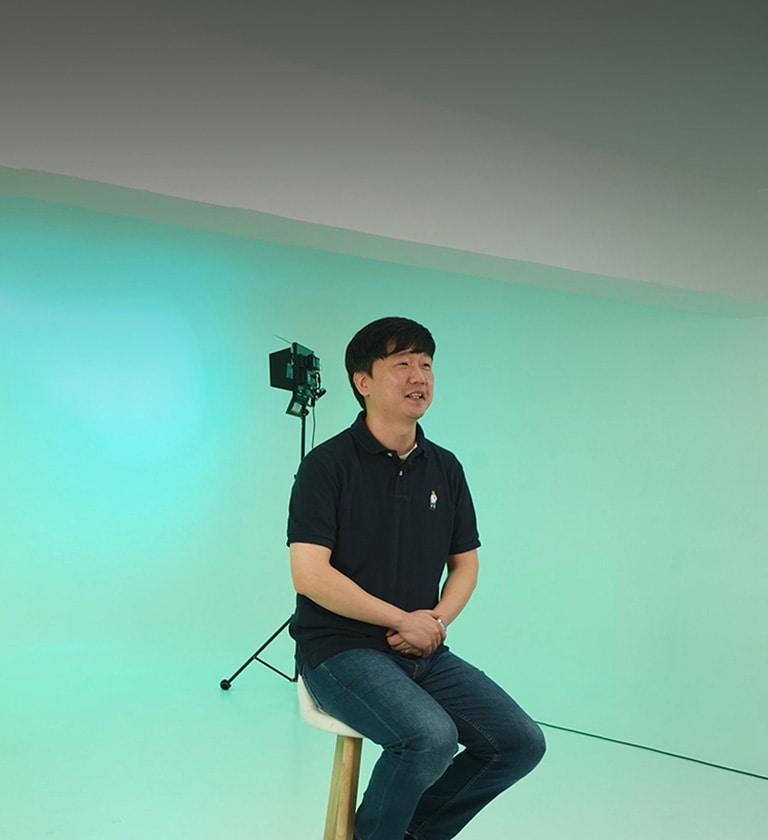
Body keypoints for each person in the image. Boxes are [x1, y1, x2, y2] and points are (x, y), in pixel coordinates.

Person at [288, 317, 545, 840]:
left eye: (425, 364)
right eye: (401, 364)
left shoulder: (445, 468)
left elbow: (465, 565)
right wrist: (402, 620)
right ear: (363, 382)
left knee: (520, 741)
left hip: (422, 649)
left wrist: (432, 623)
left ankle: (408, 834)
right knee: (430, 737)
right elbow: (310, 574)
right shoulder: (327, 465)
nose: (418, 376)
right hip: (340, 651)